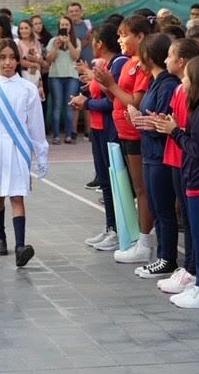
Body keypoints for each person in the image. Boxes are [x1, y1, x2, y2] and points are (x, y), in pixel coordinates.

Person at [153, 56, 199, 308]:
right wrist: (179, 130)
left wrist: (175, 131)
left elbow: (197, 149)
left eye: (186, 77)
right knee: (198, 233)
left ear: (196, 81)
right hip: (197, 178)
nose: (182, 82)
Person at [0, 39, 48, 266]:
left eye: (12, 58)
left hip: (18, 147)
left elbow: (35, 123)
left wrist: (41, 153)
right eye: (2, 58)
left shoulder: (27, 89)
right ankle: (0, 235)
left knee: (17, 194)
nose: (7, 62)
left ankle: (20, 246)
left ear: (18, 60)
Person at [91, 15, 154, 259]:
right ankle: (135, 236)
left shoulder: (142, 64)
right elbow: (115, 97)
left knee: (142, 189)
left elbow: (134, 101)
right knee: (135, 188)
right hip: (124, 131)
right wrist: (105, 84)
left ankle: (144, 243)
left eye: (124, 35)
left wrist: (111, 85)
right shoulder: (128, 63)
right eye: (118, 35)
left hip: (137, 133)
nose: (120, 40)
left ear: (140, 36)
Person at [129, 34, 181, 278]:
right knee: (157, 207)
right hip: (150, 151)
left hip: (161, 154)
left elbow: (161, 120)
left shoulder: (167, 84)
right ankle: (163, 256)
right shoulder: (155, 82)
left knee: (164, 209)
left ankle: (167, 258)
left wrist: (141, 119)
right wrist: (140, 118)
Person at [71, 24, 127, 248]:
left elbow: (114, 100)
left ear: (99, 43)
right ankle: (110, 228)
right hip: (98, 129)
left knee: (113, 182)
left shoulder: (117, 64)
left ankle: (119, 230)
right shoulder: (105, 65)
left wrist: (87, 103)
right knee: (104, 181)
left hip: (109, 129)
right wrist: (85, 93)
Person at [156, 38, 199, 294]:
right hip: (174, 156)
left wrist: (174, 129)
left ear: (182, 61)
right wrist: (162, 122)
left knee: (191, 218)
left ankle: (194, 269)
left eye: (170, 55)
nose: (166, 60)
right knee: (185, 215)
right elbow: (174, 121)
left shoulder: (191, 89)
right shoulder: (178, 89)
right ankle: (189, 267)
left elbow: (192, 130)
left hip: (186, 158)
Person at [45, 16, 81, 145]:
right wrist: (57, 46)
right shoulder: (53, 41)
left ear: (70, 26)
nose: (64, 27)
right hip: (55, 76)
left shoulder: (76, 41)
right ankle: (56, 136)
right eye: (62, 25)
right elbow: (49, 59)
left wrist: (69, 42)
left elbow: (76, 56)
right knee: (57, 106)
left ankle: (69, 135)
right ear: (59, 27)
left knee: (69, 106)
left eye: (66, 24)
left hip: (72, 76)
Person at [16, 19, 45, 100]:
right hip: (25, 75)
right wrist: (34, 64)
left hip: (37, 76)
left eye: (26, 28)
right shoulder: (18, 43)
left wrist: (36, 60)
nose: (23, 31)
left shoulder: (37, 43)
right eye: (21, 28)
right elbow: (20, 61)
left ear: (31, 29)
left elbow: (41, 60)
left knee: (36, 100)